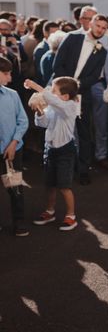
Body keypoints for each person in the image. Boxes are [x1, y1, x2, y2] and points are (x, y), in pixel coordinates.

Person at [51, 14, 108, 185]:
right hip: (59, 92)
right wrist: (64, 88)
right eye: (98, 25)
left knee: (84, 133)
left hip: (82, 95)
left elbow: (94, 77)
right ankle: (56, 169)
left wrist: (75, 86)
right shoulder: (72, 38)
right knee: (58, 130)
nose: (101, 30)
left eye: (104, 28)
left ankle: (83, 170)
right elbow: (57, 64)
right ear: (90, 23)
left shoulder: (102, 51)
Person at [27, 76, 81, 231]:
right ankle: (50, 212)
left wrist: (36, 86)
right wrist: (39, 112)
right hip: (50, 150)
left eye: (53, 91)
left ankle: (71, 216)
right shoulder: (52, 107)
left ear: (65, 96)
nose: (50, 93)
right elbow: (43, 124)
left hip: (65, 151)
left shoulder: (70, 106)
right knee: (50, 184)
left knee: (64, 186)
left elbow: (54, 101)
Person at [71, 6, 108, 171]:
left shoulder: (106, 38)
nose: (94, 23)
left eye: (95, 19)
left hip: (99, 84)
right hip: (78, 86)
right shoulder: (74, 37)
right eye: (89, 19)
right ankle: (79, 157)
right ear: (81, 20)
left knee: (101, 123)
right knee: (78, 123)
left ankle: (101, 155)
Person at [0, 57, 29, 237]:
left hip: (12, 152)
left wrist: (14, 142)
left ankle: (19, 222)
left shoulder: (12, 94)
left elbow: (23, 121)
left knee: (15, 188)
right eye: (6, 73)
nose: (10, 77)